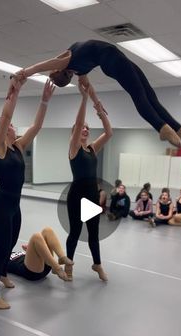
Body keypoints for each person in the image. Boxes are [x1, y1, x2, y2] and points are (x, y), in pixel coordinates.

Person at [11, 39, 181, 149]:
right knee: (138, 94)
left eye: (67, 73)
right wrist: (95, 102)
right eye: (69, 75)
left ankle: (178, 128)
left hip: (117, 58)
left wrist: (23, 73)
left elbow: (42, 66)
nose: (70, 73)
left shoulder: (65, 60)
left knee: (150, 95)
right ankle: (161, 129)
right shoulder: (76, 69)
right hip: (112, 61)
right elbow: (86, 87)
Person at [0, 77, 55, 309]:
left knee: (12, 242)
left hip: (15, 206)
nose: (14, 126)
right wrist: (13, 93)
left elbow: (36, 127)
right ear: (1, 131)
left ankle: (4, 273)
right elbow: (5, 117)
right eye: (11, 125)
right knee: (3, 249)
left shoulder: (18, 146)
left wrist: (44, 101)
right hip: (0, 206)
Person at [65, 77, 112, 281]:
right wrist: (84, 98)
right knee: (75, 232)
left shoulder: (92, 148)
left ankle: (97, 264)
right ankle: (69, 266)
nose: (84, 129)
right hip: (77, 195)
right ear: (75, 132)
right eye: (81, 128)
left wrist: (100, 112)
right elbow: (77, 123)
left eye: (87, 128)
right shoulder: (74, 148)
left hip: (92, 195)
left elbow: (109, 132)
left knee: (93, 232)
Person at [7, 227, 73, 281]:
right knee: (36, 236)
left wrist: (29, 249)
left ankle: (62, 257)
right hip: (31, 272)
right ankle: (57, 267)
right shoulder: (0, 259)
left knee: (47, 230)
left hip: (44, 266)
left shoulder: (15, 252)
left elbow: (31, 258)